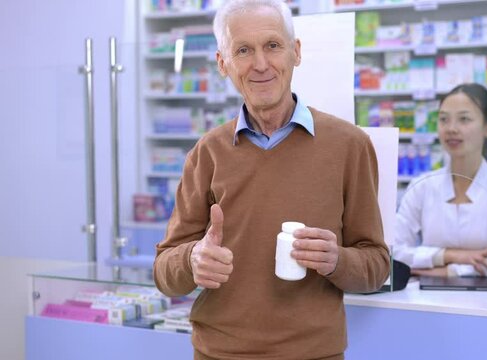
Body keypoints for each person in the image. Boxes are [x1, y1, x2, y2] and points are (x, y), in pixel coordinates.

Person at [153, 1, 391, 359]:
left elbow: (376, 265)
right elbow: (163, 270)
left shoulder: (349, 145)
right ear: (223, 63)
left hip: (314, 353)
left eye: (273, 46)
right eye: (243, 51)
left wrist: (336, 260)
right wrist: (192, 259)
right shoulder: (207, 153)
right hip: (219, 353)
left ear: (295, 53)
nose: (260, 64)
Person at [394, 83, 487, 278]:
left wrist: (448, 271)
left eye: (464, 119)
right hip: (422, 302)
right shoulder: (422, 186)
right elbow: (395, 251)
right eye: (444, 119)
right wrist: (452, 255)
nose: (451, 129)